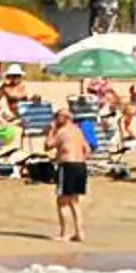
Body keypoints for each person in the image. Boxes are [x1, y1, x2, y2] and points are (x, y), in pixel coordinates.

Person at [48, 104, 90, 244]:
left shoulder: (62, 131)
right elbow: (87, 149)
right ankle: (79, 232)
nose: (55, 119)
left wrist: (51, 130)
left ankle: (64, 234)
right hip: (81, 166)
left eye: (56, 117)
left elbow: (48, 145)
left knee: (62, 202)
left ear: (63, 118)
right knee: (74, 201)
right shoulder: (77, 130)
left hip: (67, 166)